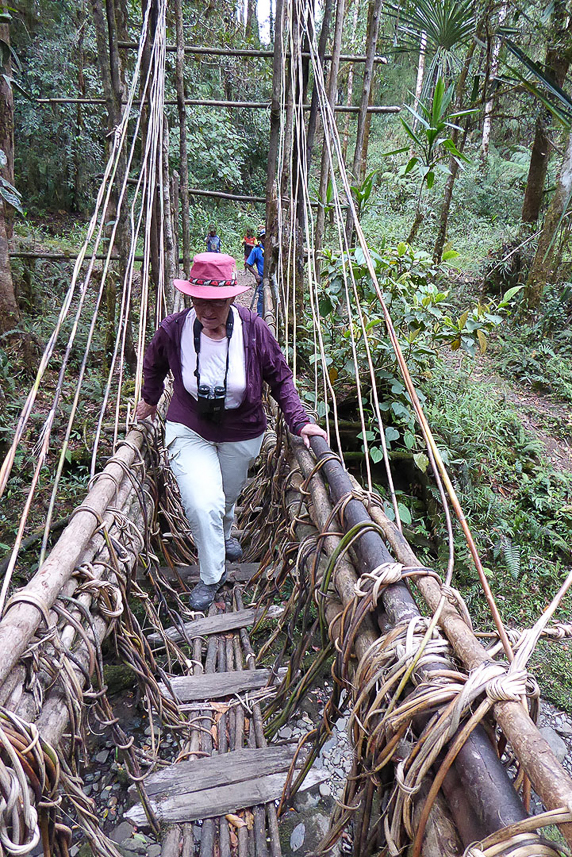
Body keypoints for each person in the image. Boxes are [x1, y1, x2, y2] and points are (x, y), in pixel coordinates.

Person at [136, 252, 328, 611]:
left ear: (232, 299)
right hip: (189, 424)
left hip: (242, 430)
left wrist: (299, 421)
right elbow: (154, 363)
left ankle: (226, 530)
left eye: (217, 303)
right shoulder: (174, 328)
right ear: (189, 297)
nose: (207, 311)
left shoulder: (254, 329)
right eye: (199, 301)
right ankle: (212, 575)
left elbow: (279, 377)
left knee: (224, 496)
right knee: (201, 501)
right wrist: (150, 399)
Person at [245, 225, 265, 316]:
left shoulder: (274, 249)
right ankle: (260, 318)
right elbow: (248, 264)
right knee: (261, 298)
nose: (265, 239)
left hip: (275, 277)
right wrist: (256, 275)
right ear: (260, 238)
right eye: (263, 237)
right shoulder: (256, 250)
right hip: (262, 278)